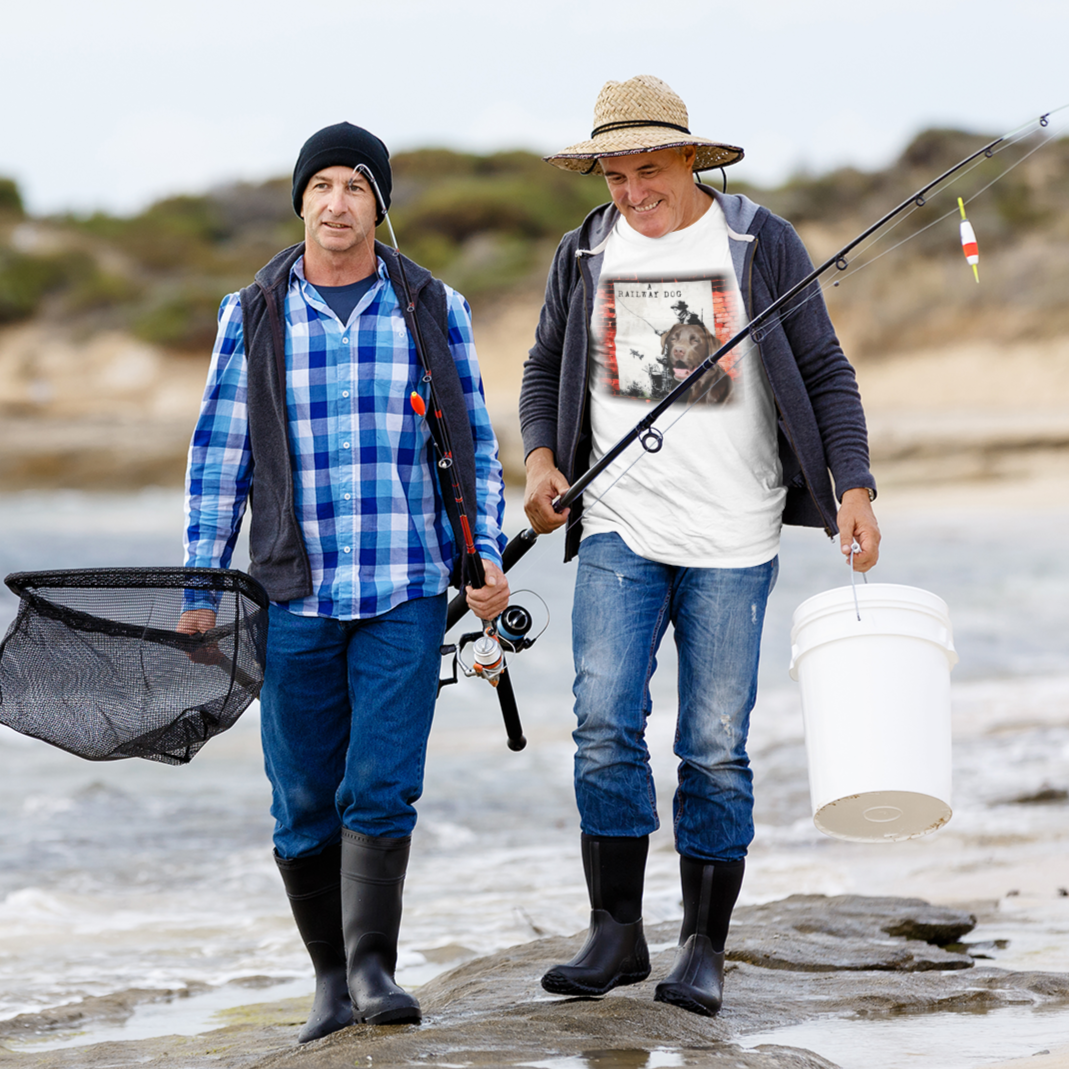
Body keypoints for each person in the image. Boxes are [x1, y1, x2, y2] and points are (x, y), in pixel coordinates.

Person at [519, 76, 880, 1018]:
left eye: (648, 169)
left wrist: (852, 486)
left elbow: (825, 371)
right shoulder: (582, 250)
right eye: (614, 174)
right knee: (602, 722)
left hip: (733, 532)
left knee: (714, 746)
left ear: (689, 158)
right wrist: (541, 459)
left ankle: (703, 947)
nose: (632, 191)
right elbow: (543, 362)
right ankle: (614, 932)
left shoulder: (755, 241)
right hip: (618, 530)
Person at [178, 122, 509, 1040]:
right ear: (301, 200)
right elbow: (219, 460)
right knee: (302, 796)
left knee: (382, 786)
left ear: (378, 205)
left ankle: (373, 968)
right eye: (321, 185)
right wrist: (202, 586)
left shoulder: (430, 304)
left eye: (355, 187)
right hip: (292, 594)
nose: (336, 204)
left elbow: (474, 444)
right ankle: (328, 978)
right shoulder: (250, 311)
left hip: (405, 588)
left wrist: (480, 555)